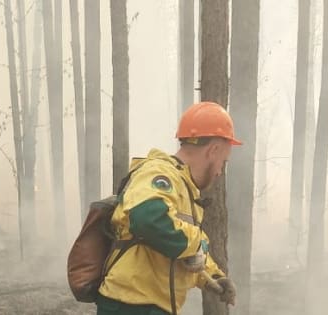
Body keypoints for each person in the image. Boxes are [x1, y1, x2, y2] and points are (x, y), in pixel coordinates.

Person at [97, 102, 241, 315]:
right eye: (223, 162)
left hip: (145, 304)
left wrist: (214, 276)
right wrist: (197, 241)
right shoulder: (161, 174)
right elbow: (148, 219)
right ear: (214, 150)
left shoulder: (183, 187)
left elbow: (181, 251)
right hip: (132, 305)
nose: (220, 171)